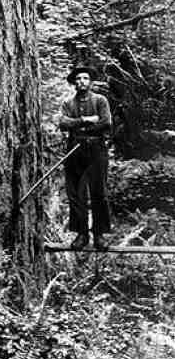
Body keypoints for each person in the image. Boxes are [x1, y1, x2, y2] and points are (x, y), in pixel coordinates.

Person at [58, 65, 113, 250]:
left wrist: (81, 128)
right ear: (74, 82)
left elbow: (106, 122)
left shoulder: (100, 100)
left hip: (97, 150)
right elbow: (63, 123)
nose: (82, 81)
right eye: (79, 79)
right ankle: (81, 235)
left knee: (99, 192)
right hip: (74, 150)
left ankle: (99, 235)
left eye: (85, 78)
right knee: (76, 195)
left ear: (90, 82)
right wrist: (85, 120)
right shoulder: (68, 103)